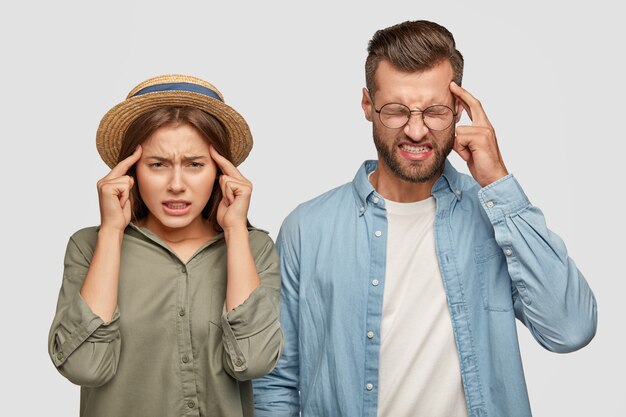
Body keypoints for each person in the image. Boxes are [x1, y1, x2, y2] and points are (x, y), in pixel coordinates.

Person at [253, 20, 597, 417]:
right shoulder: (307, 229)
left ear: (458, 110)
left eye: (434, 112)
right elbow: (276, 383)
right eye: (396, 111)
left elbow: (571, 329)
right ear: (367, 106)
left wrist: (499, 182)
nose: (416, 131)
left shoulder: (493, 213)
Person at [48, 74, 283, 417]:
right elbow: (85, 366)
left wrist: (234, 233)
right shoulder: (89, 247)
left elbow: (255, 362)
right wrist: (112, 231)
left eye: (194, 165)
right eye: (157, 165)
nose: (176, 185)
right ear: (131, 172)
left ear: (220, 171)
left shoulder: (254, 248)